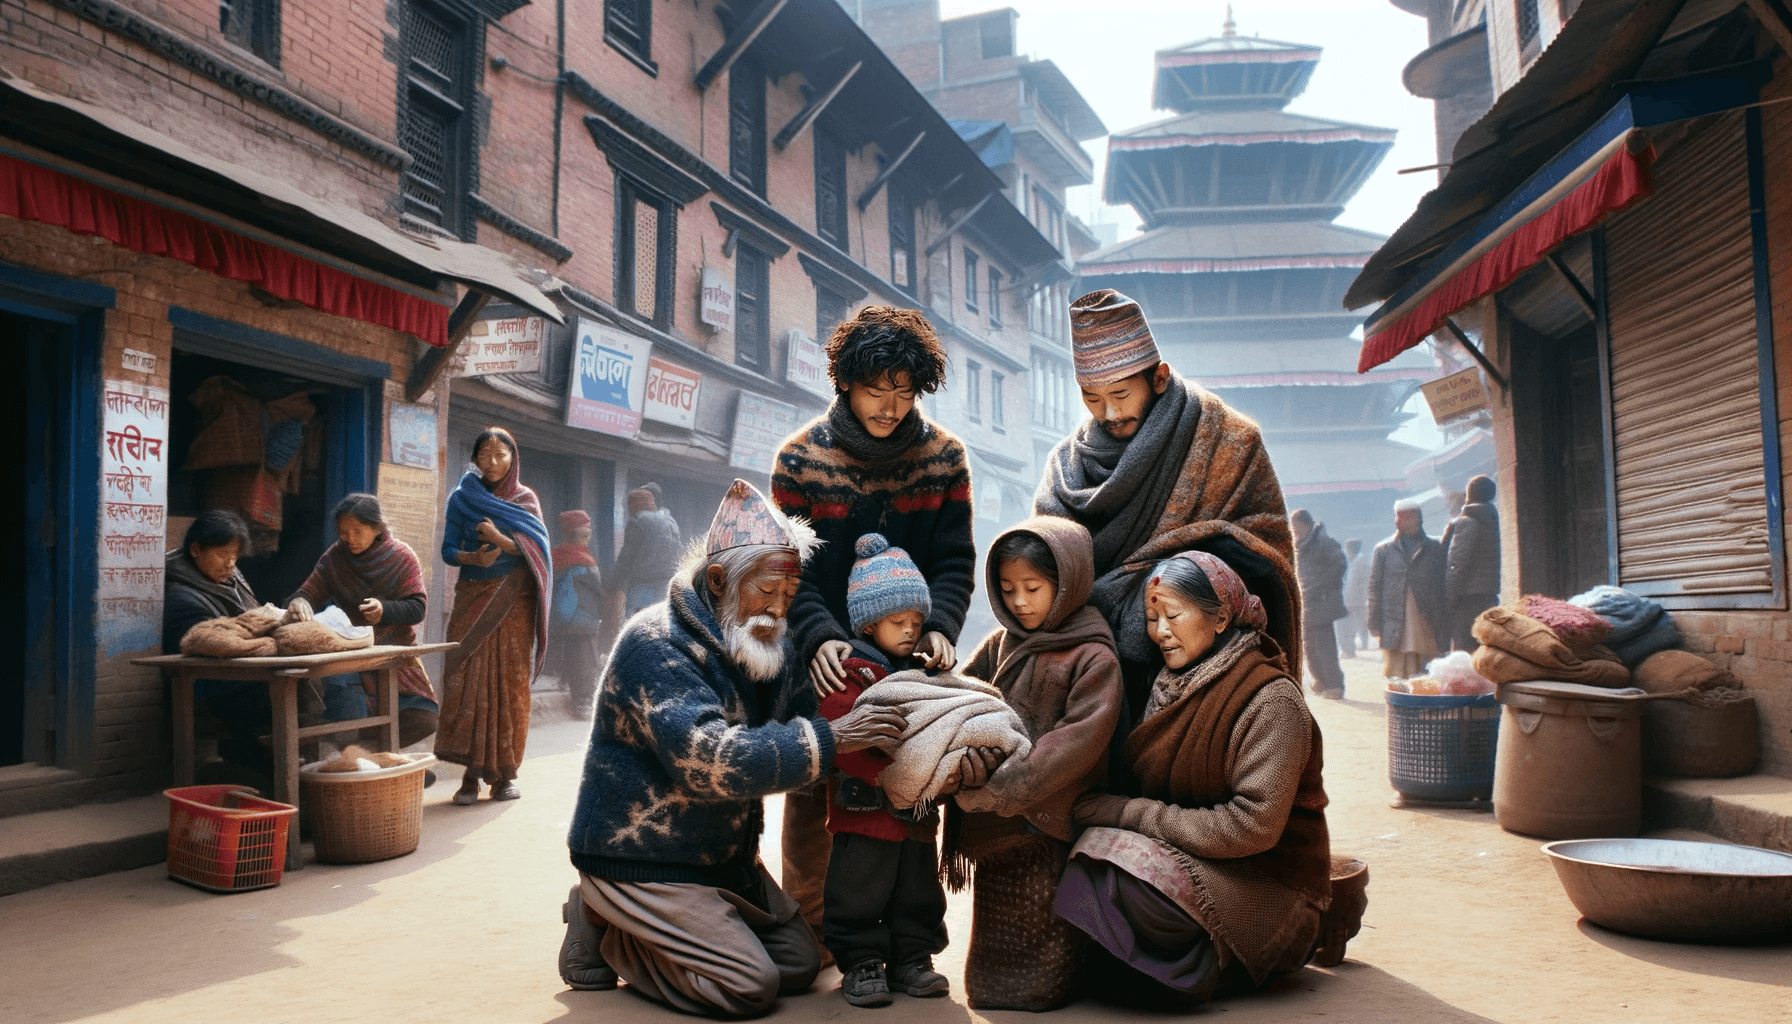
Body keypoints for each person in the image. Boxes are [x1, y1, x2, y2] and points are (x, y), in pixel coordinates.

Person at [557, 480, 907, 1017]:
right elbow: (712, 761)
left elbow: (808, 727)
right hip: (645, 857)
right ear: (719, 580)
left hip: (723, 859)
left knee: (800, 964)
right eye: (766, 591)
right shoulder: (653, 642)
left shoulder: (768, 642)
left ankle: (649, 925)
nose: (778, 609)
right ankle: (603, 915)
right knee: (748, 986)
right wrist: (836, 738)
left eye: (788, 597)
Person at [771, 305, 976, 953]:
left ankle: (901, 938)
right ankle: (814, 930)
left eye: (903, 392)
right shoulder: (799, 460)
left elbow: (953, 559)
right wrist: (821, 636)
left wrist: (941, 626)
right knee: (817, 786)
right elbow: (787, 570)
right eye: (874, 390)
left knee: (905, 789)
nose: (889, 407)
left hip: (909, 656)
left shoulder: (944, 458)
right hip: (821, 655)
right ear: (845, 383)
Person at [1034, 289, 1298, 775]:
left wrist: (1174, 578)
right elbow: (1048, 557)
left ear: (1157, 377)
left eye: (1120, 395)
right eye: (1093, 398)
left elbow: (1266, 550)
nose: (1109, 414)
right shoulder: (1066, 467)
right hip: (1095, 659)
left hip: (1198, 656)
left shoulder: (1229, 440)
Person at [1056, 552, 1330, 1007]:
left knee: (1124, 881)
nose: (1159, 632)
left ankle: (1197, 968)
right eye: (1151, 617)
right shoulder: (1168, 685)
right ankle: (1165, 965)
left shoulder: (1272, 703)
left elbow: (1251, 827)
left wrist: (1129, 813)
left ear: (1221, 617)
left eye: (1173, 615)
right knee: (1090, 862)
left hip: (1270, 886)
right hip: (1197, 859)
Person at [951, 517, 1122, 1011]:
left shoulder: (1093, 654)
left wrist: (1011, 785)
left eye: (1033, 587)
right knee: (997, 909)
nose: (1020, 601)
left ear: (1066, 584)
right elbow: (965, 691)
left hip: (1047, 815)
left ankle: (1048, 987)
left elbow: (1078, 739)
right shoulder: (1003, 642)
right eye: (1008, 589)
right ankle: (995, 986)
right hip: (992, 815)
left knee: (1042, 911)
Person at [818, 533, 975, 1008]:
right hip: (863, 808)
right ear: (868, 625)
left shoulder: (924, 671)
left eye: (916, 621)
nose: (910, 630)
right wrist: (892, 758)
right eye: (897, 621)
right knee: (858, 887)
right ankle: (862, 961)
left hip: (918, 813)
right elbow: (839, 735)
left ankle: (913, 957)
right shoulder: (850, 672)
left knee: (917, 888)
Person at [438, 427, 552, 805]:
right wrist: (473, 557)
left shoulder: (525, 499)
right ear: (474, 458)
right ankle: (469, 777)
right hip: (472, 596)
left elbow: (537, 548)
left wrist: (501, 541)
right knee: (466, 679)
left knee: (508, 684)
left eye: (501, 454)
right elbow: (448, 549)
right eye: (485, 454)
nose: (492, 462)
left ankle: (504, 777)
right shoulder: (461, 498)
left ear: (513, 458)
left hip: (513, 601)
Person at [284, 493, 438, 749]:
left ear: (377, 527)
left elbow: (417, 608)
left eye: (357, 531)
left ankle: (371, 758)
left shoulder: (402, 557)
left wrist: (384, 610)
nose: (349, 539)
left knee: (424, 719)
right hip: (350, 654)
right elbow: (309, 590)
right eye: (343, 532)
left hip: (395, 654)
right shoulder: (335, 557)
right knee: (350, 714)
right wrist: (300, 601)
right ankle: (366, 765)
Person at [163, 510, 267, 773]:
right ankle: (253, 761)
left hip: (235, 674)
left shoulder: (230, 582)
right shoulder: (182, 597)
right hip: (208, 686)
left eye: (234, 556)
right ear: (196, 550)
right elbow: (209, 645)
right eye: (222, 554)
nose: (230, 564)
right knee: (273, 689)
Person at [1368, 500, 1446, 681]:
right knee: (1397, 671)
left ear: (1419, 519)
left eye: (1409, 517)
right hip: (1394, 618)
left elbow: (1443, 586)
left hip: (1426, 618)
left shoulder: (1434, 548)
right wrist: (1373, 621)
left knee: (1427, 668)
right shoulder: (1384, 550)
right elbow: (1375, 588)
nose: (1402, 522)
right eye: (1400, 518)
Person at [550, 509, 605, 714]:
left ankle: (576, 694)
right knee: (582, 660)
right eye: (583, 535)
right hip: (577, 617)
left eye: (588, 535)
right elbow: (568, 591)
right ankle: (582, 702)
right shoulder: (576, 557)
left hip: (574, 617)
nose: (587, 539)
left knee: (576, 657)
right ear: (571, 534)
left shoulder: (560, 555)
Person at [1290, 509, 1348, 700]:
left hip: (1322, 603)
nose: (1294, 530)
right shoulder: (1298, 546)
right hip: (1306, 603)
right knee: (1309, 647)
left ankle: (1334, 684)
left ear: (1306, 524)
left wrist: (1319, 586)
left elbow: (1340, 565)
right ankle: (1321, 680)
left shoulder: (1324, 542)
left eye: (1297, 526)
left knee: (1324, 646)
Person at [1441, 475, 1501, 653]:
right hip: (1487, 595)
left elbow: (1457, 564)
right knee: (1482, 648)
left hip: (1466, 598)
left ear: (1469, 494)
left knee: (1464, 650)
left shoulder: (1468, 522)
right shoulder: (1489, 521)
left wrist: (1448, 598)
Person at [612, 485, 684, 618]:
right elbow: (679, 554)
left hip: (643, 584)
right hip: (666, 585)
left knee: (637, 622)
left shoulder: (637, 521)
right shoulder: (671, 522)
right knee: (662, 622)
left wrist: (614, 584)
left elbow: (627, 555)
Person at [1340, 539, 1369, 656]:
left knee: (1359, 623)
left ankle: (1362, 645)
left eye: (1347, 548)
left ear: (1351, 549)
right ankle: (1358, 645)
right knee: (1355, 623)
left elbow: (1364, 582)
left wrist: (1364, 597)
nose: (1346, 551)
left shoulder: (1361, 562)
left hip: (1358, 599)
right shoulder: (1355, 562)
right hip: (1352, 599)